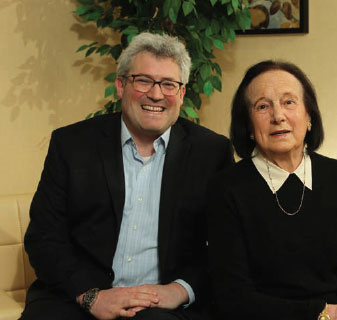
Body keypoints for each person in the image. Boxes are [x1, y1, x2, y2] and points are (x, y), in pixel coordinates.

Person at [21, 32, 233, 320]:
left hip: (162, 306)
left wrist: (181, 290)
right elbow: (43, 238)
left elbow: (228, 247)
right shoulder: (72, 145)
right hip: (78, 297)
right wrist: (90, 296)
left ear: (181, 94)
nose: (156, 94)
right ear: (121, 85)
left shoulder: (211, 152)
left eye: (168, 84)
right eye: (143, 80)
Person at [206, 60, 337, 320]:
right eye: (263, 106)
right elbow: (234, 300)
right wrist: (329, 314)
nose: (278, 116)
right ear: (248, 125)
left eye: (289, 102)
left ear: (309, 116)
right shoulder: (226, 188)